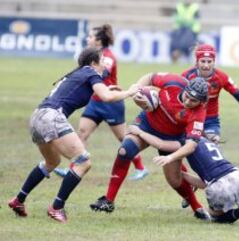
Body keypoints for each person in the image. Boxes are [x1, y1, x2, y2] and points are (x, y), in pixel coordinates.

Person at [7, 47, 139, 223]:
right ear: (93, 63)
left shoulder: (80, 73)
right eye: (102, 60)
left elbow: (87, 92)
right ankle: (57, 207)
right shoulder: (91, 72)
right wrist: (130, 92)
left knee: (52, 162)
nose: (104, 63)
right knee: (83, 162)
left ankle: (18, 200)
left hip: (38, 116)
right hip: (52, 117)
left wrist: (109, 88)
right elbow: (106, 97)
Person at [89, 73, 212, 220]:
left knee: (174, 180)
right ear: (185, 88)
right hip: (147, 124)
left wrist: (171, 157)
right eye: (187, 96)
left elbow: (191, 145)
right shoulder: (174, 82)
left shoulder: (199, 113)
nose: (188, 101)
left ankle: (196, 206)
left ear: (201, 101)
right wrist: (136, 89)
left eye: (194, 101)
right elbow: (149, 77)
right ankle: (108, 201)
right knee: (124, 150)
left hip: (171, 138)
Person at [53, 24, 148, 181]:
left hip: (111, 103)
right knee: (81, 133)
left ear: (98, 40)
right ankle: (72, 168)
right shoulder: (95, 55)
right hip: (95, 102)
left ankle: (140, 168)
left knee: (123, 138)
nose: (88, 38)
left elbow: (102, 73)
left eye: (90, 36)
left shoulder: (107, 57)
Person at [182, 43, 239, 144]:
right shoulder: (186, 76)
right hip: (190, 118)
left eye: (209, 61)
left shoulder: (221, 77)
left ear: (214, 61)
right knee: (186, 148)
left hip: (210, 121)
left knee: (211, 148)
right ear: (197, 62)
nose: (206, 65)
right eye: (203, 61)